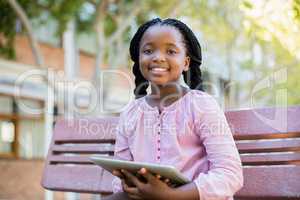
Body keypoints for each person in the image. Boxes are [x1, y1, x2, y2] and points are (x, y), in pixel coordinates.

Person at [103, 18, 243, 200]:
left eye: (170, 51)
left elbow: (230, 174)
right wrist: (130, 184)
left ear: (186, 63)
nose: (158, 57)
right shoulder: (130, 113)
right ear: (139, 60)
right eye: (148, 51)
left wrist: (171, 195)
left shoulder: (201, 105)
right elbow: (120, 171)